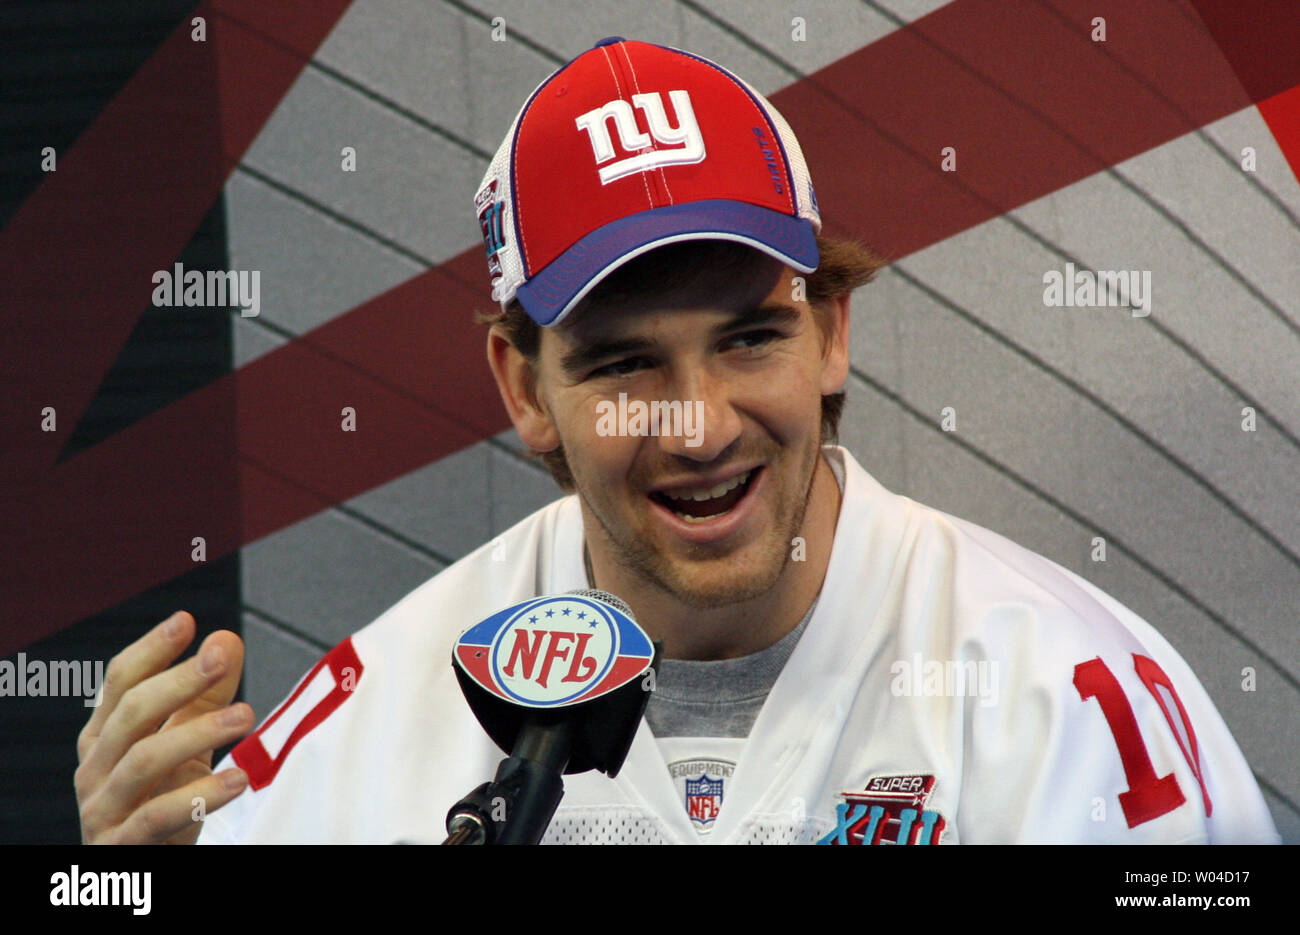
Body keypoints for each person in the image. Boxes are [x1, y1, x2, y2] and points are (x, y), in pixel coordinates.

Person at [75, 37, 1278, 845]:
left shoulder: (1076, 702)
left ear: (832, 334)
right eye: (620, 361)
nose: (698, 427)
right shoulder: (365, 723)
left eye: (750, 337)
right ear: (524, 383)